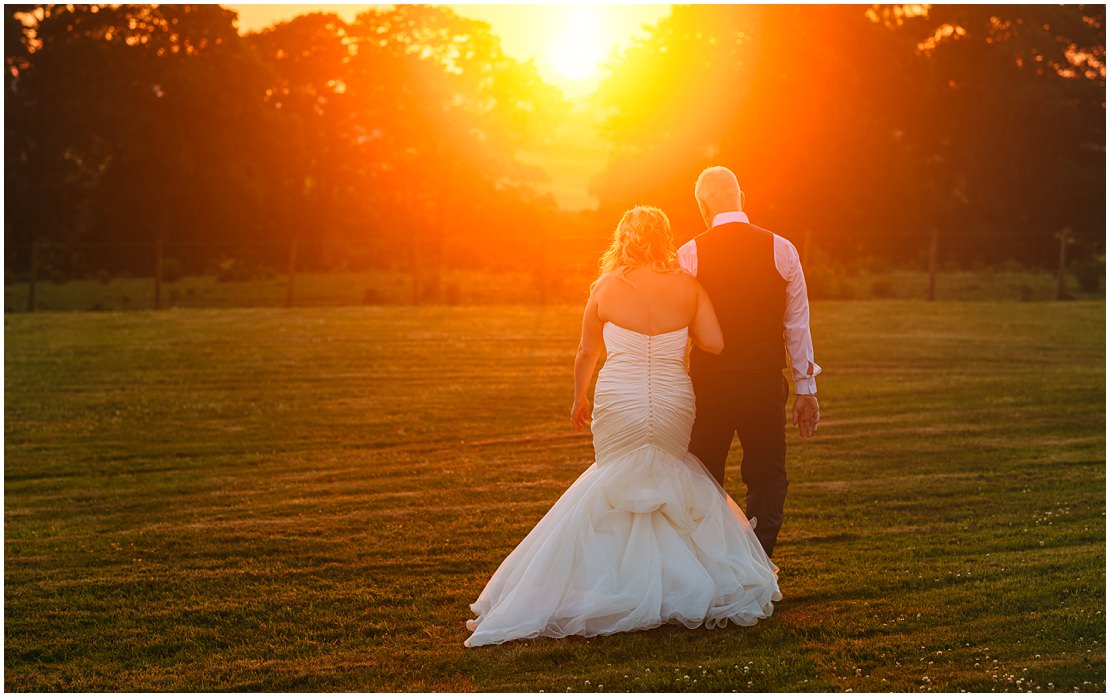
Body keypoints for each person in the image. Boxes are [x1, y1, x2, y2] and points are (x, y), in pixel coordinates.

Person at [464, 206, 781, 648]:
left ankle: (607, 584)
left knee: (613, 483)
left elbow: (585, 352)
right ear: (664, 238)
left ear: (623, 238)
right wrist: (676, 332)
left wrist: (579, 396)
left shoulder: (606, 288)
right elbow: (715, 342)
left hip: (620, 398)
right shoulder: (689, 288)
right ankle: (677, 585)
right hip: (672, 396)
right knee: (668, 478)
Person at [678, 166, 821, 559]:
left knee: (703, 476)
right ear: (742, 196)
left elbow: (678, 329)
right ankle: (758, 563)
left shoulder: (689, 253)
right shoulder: (782, 248)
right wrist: (806, 391)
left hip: (709, 386)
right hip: (762, 384)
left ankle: (708, 564)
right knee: (767, 476)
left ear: (703, 207)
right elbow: (797, 325)